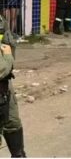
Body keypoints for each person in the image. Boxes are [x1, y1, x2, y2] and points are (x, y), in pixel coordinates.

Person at [0, 16, 26, 157]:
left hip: (4, 87)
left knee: (12, 122)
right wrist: (7, 58)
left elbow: (8, 43)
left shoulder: (1, 21)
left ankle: (18, 154)